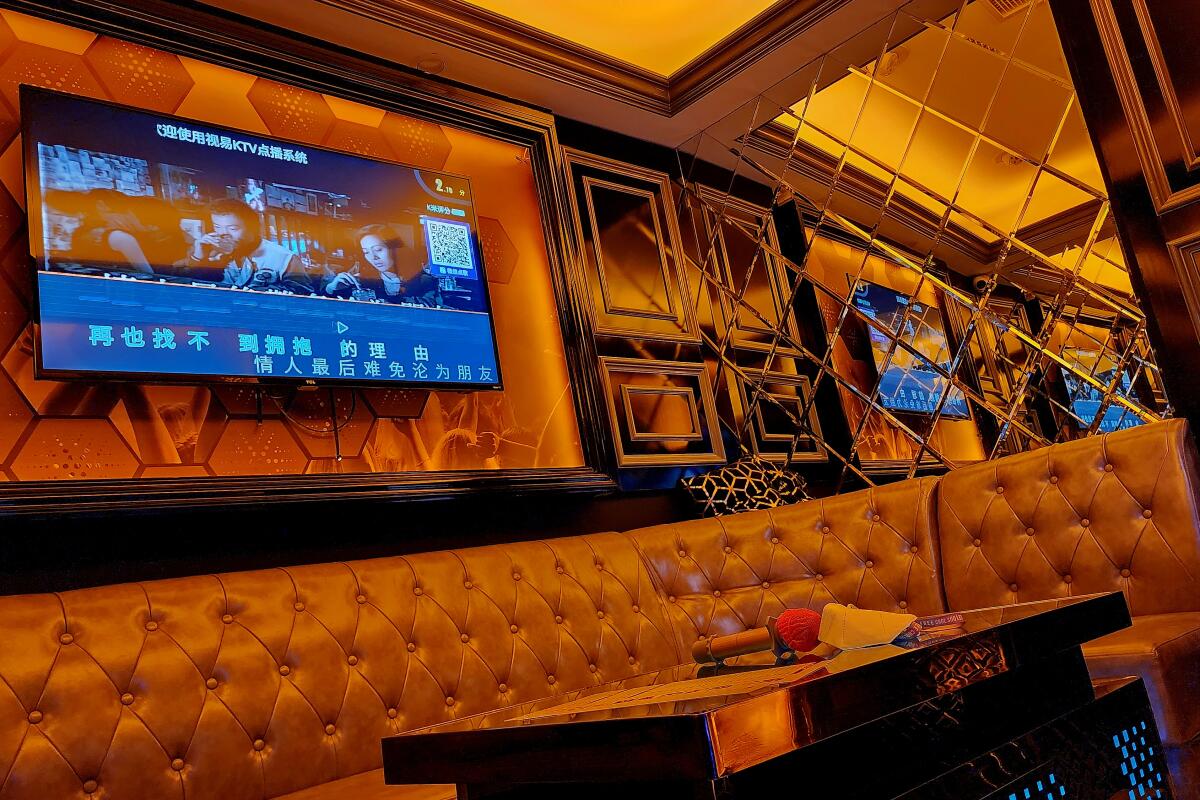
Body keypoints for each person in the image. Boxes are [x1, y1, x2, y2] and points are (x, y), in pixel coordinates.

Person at [177, 198, 313, 294]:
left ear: (252, 228)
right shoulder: (212, 253)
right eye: (217, 227)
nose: (223, 234)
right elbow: (191, 291)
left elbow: (303, 294)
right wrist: (198, 257)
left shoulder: (284, 258)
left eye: (233, 228)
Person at [324, 223, 443, 306]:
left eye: (378, 249)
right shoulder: (363, 281)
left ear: (394, 248)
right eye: (366, 252)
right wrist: (331, 288)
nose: (374, 257)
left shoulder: (424, 281)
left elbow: (429, 307)